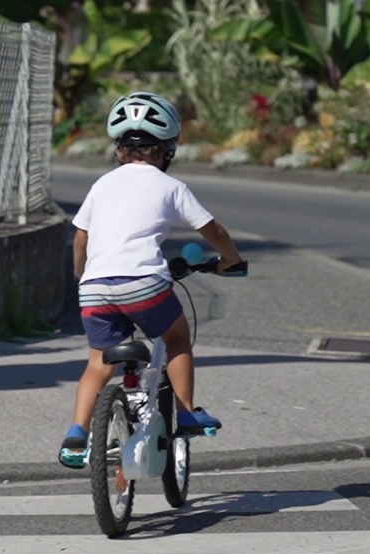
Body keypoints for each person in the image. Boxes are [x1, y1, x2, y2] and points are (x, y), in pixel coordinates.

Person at [59, 92, 246, 470]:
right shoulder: (170, 187)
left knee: (98, 362)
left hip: (94, 288)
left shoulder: (102, 185)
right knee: (177, 338)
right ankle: (189, 412)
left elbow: (81, 238)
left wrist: (83, 277)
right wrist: (232, 260)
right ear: (168, 149)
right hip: (144, 283)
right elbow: (214, 229)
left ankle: (77, 433)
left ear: (118, 149)